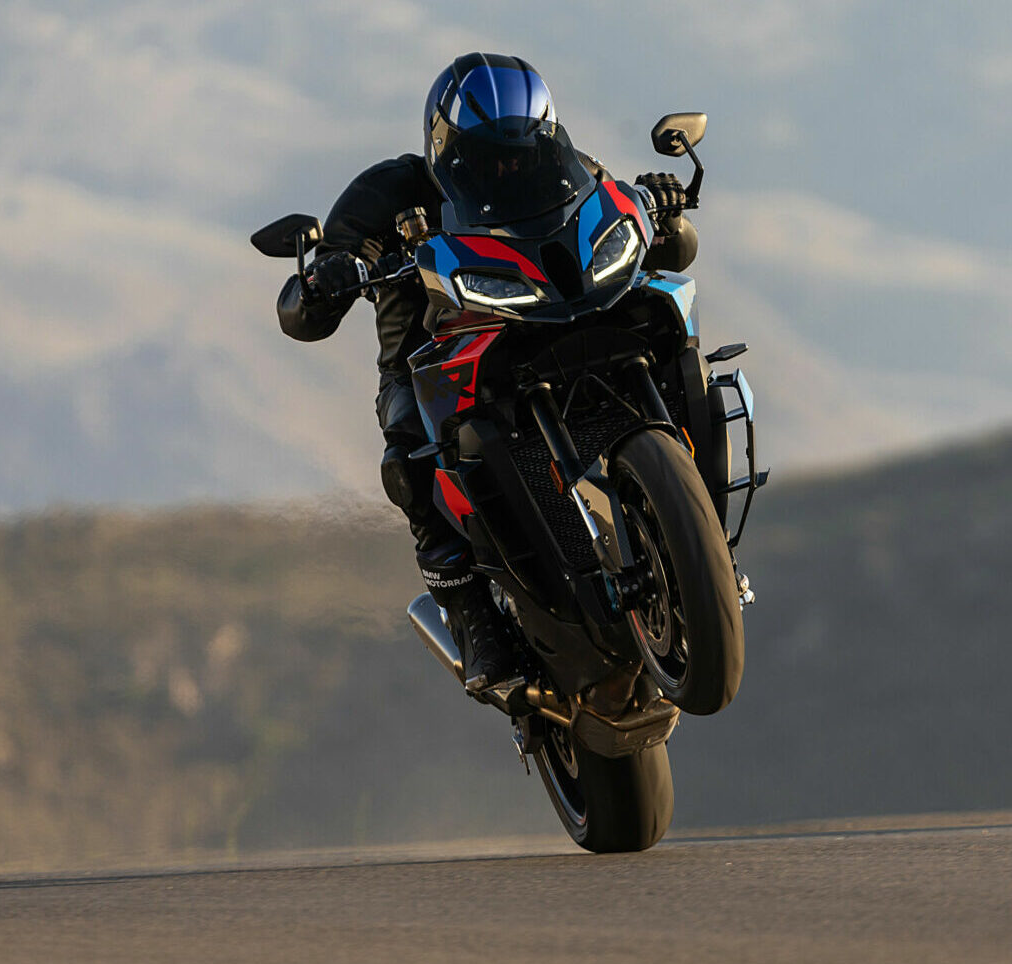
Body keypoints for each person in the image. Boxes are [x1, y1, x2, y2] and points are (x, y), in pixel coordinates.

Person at [273, 53, 697, 696]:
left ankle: (693, 516)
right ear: (447, 149)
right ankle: (473, 617)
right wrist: (324, 276)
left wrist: (658, 207)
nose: (509, 167)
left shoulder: (573, 174)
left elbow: (666, 238)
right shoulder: (389, 193)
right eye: (487, 156)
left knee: (666, 310)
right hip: (435, 362)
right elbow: (303, 309)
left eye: (524, 150)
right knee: (409, 457)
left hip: (558, 321)